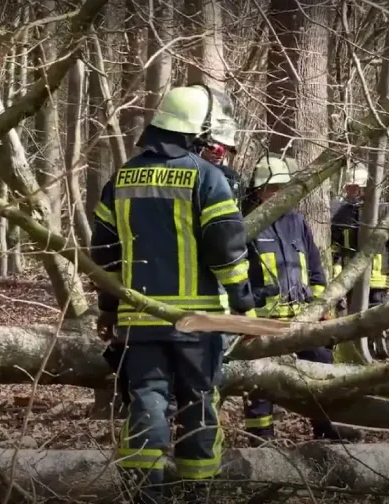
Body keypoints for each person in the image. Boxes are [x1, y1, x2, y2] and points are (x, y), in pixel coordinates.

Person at [90, 83, 257, 503]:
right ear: (198, 131)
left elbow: (104, 256)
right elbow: (227, 251)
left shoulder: (122, 177)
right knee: (198, 404)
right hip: (198, 323)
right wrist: (243, 304)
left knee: (147, 400)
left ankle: (143, 494)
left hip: (138, 321)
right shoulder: (207, 177)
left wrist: (108, 310)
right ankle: (196, 493)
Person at [241, 154, 361, 444]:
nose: (280, 194)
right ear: (259, 190)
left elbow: (316, 269)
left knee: (321, 367)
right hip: (263, 321)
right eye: (273, 188)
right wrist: (245, 319)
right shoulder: (246, 223)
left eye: (284, 187)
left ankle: (326, 424)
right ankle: (260, 435)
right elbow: (236, 276)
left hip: (303, 316)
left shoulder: (297, 222)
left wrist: (321, 308)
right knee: (258, 380)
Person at [330, 163, 389, 362]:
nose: (350, 192)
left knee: (376, 315)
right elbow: (336, 246)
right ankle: (355, 352)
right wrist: (336, 270)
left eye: (354, 188)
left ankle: (377, 351)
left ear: (365, 188)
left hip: (378, 277)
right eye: (349, 188)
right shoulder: (342, 214)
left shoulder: (383, 211)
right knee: (353, 316)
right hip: (351, 277)